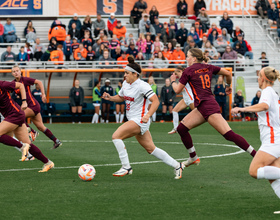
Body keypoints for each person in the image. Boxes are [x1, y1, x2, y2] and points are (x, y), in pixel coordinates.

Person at [170, 48, 256, 168]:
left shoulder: (188, 70)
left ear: (194, 58)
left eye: (188, 56)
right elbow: (227, 73)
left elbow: (177, 90)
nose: (186, 58)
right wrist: (228, 86)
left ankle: (256, 156)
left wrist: (173, 81)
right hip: (203, 107)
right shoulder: (208, 67)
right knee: (181, 129)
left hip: (208, 107)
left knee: (229, 135)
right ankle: (193, 157)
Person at [101, 56, 184, 179]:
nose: (125, 75)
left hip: (140, 120)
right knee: (151, 149)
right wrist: (111, 98)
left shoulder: (142, 86)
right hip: (134, 120)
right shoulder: (125, 83)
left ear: (135, 74)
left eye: (127, 73)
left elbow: (155, 101)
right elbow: (122, 97)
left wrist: (148, 115)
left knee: (116, 136)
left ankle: (126, 167)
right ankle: (178, 165)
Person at [231, 67, 280, 200]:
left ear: (263, 79)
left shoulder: (267, 91)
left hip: (272, 139)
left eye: (259, 77)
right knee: (273, 176)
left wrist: (242, 109)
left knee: (254, 170)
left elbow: (264, 106)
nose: (258, 79)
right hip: (274, 138)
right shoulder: (272, 93)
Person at [0, 79, 54, 171]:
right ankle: (48, 162)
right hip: (13, 116)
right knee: (28, 144)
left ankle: (22, 146)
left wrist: (24, 101)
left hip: (15, 114)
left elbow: (21, 85)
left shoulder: (2, 84)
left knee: (21, 143)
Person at [11, 65, 62, 149]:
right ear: (12, 74)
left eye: (17, 71)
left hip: (33, 105)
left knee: (18, 115)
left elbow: (39, 82)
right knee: (41, 127)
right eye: (14, 71)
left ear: (20, 71)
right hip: (29, 107)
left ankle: (32, 131)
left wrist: (43, 94)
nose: (16, 72)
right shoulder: (13, 84)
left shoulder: (25, 80)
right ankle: (56, 141)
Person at [168, 66, 194, 134]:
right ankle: (175, 128)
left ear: (180, 71)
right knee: (174, 111)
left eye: (176, 73)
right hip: (186, 99)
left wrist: (173, 81)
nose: (175, 75)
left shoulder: (184, 77)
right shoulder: (182, 78)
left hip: (191, 99)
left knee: (201, 115)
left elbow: (178, 90)